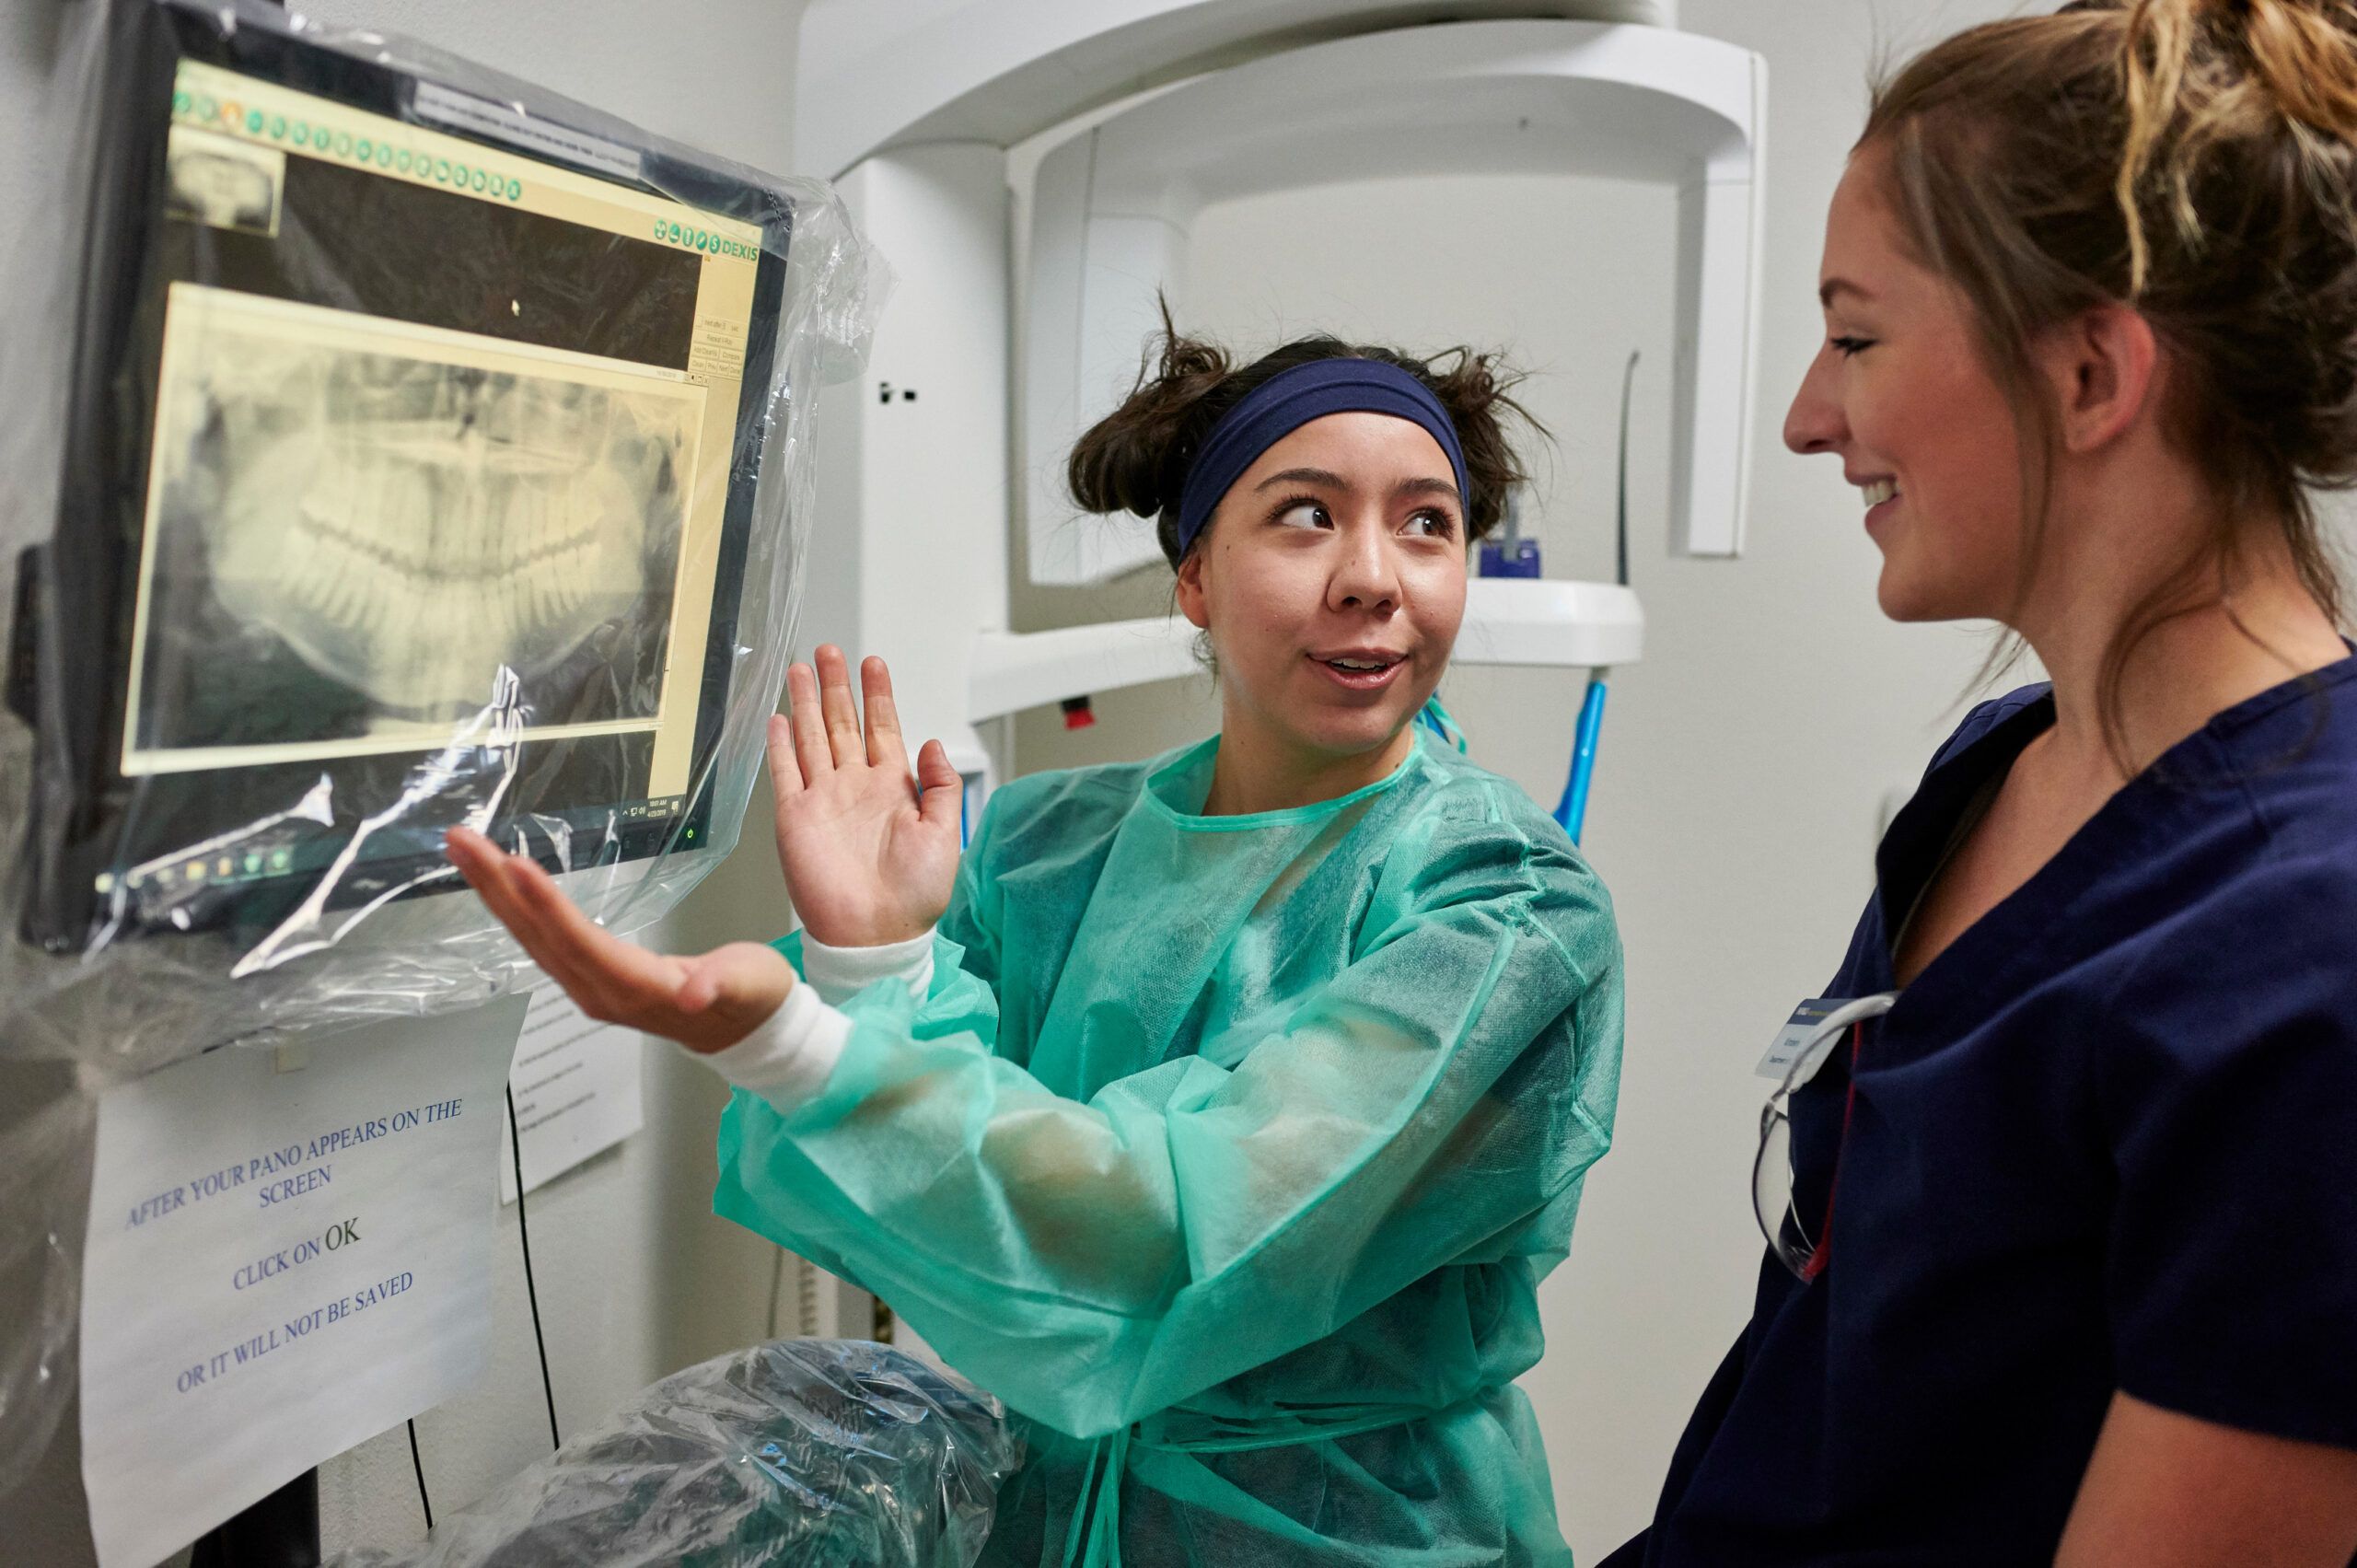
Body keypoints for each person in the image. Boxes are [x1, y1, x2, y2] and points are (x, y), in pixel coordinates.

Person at [448, 329, 1624, 1565]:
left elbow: (1172, 1240)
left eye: (1426, 525)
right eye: (1304, 518)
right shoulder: (1050, 848)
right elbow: (914, 1194)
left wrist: (801, 1040)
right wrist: (867, 961)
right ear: (1195, 580)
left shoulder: (1505, 913)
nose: (1374, 577)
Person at [1605, 3, 2357, 1564]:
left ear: (2090, 373)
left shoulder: (2307, 954)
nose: (1812, 417)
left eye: (1858, 336)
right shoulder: (2002, 761)